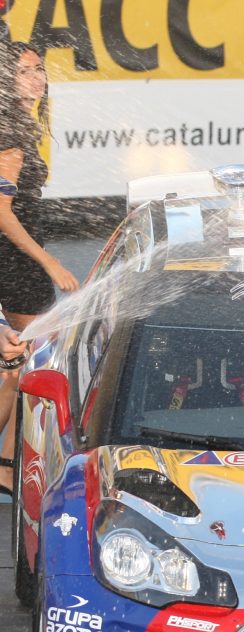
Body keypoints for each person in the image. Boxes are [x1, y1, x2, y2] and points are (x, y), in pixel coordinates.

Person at [0, 42, 79, 494]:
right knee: (24, 364)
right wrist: (49, 262)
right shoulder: (11, 134)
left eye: (40, 69)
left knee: (18, 365)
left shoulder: (20, 125)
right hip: (18, 263)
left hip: (19, 260)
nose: (37, 79)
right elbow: (2, 213)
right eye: (25, 72)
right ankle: (7, 466)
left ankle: (8, 467)